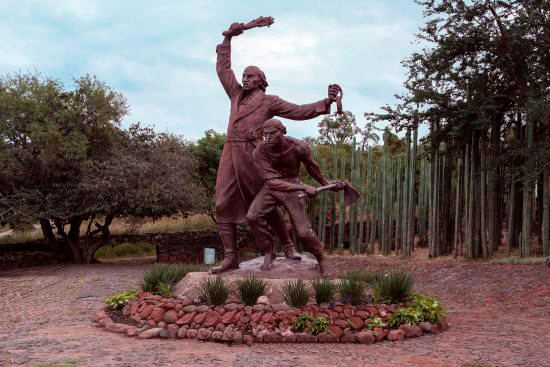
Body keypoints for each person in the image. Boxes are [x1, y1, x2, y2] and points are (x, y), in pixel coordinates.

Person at [212, 22, 340, 273]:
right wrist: (227, 39)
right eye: (244, 76)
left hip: (255, 155)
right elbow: (223, 69)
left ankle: (289, 245)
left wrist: (326, 102)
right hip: (231, 154)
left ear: (261, 81)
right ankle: (230, 256)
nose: (245, 79)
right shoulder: (236, 95)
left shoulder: (270, 102)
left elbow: (300, 111)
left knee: (266, 206)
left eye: (250, 76)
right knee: (222, 204)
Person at [246, 119, 345, 275]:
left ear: (283, 131)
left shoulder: (299, 146)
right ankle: (268, 251)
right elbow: (272, 182)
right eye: (265, 135)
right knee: (252, 216)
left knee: (304, 233)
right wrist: (304, 187)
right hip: (272, 187)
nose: (269, 138)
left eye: (273, 133)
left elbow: (312, 167)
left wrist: (327, 183)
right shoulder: (260, 151)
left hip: (292, 187)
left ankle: (321, 258)